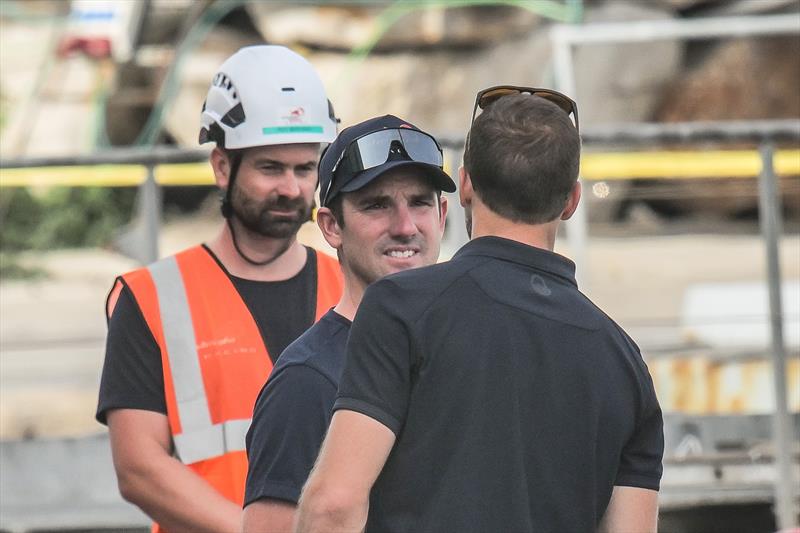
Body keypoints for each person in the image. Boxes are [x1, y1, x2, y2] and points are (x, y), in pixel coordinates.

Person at [296, 87, 664, 533]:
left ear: (466, 185)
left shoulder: (402, 309)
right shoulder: (623, 363)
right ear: (571, 201)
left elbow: (334, 505)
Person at [95, 45, 344, 533]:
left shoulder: (350, 287)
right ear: (222, 167)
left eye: (304, 168)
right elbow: (138, 468)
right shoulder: (150, 297)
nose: (291, 189)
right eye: (271, 168)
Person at [241, 115, 455, 532]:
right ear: (331, 226)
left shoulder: (472, 347)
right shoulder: (306, 381)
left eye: (420, 202)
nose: (405, 226)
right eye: (376, 205)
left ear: (443, 214)